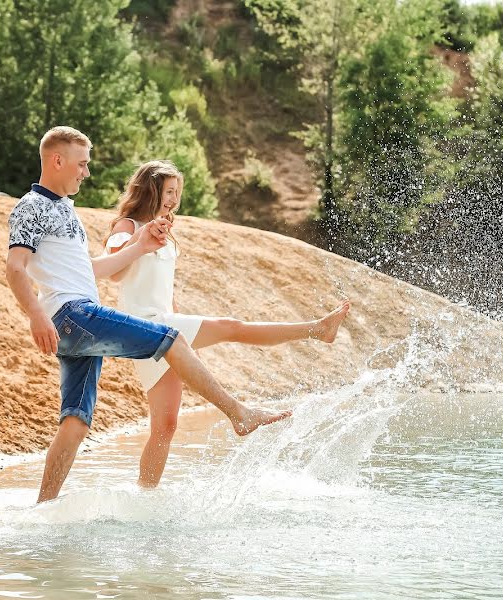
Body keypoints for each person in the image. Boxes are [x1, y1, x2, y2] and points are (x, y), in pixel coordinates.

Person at [5, 127, 291, 503]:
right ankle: (238, 413)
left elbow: (93, 270)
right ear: (57, 160)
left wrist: (141, 245)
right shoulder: (32, 206)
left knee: (76, 421)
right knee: (170, 339)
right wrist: (36, 314)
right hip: (73, 315)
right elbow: (15, 267)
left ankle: (43, 508)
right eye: (82, 164)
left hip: (74, 320)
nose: (86, 172)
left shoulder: (64, 210)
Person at [104, 160, 351, 488]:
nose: (175, 199)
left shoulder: (164, 230)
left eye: (178, 192)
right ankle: (317, 330)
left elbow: (162, 287)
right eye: (169, 192)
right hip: (144, 326)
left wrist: (182, 332)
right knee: (233, 326)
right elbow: (113, 269)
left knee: (165, 425)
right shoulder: (128, 226)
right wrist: (140, 241)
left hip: (163, 325)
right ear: (151, 190)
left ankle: (144, 496)